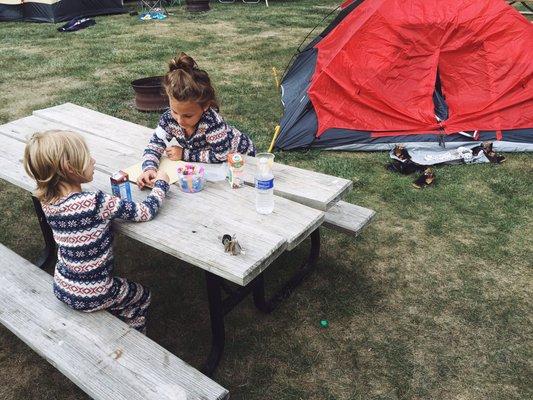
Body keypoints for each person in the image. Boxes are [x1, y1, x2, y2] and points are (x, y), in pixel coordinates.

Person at [23, 130, 170, 334]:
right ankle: (134, 339)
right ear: (69, 168)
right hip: (96, 292)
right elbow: (145, 211)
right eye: (87, 158)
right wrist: (162, 183)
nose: (93, 161)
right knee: (142, 295)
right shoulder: (95, 202)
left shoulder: (48, 201)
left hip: (62, 285)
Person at [137, 52, 256, 188]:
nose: (180, 120)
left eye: (188, 116)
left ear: (205, 106)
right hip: (214, 165)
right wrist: (149, 168)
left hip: (243, 160)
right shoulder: (169, 119)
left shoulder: (212, 123)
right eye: (175, 111)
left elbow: (221, 156)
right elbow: (155, 144)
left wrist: (184, 154)